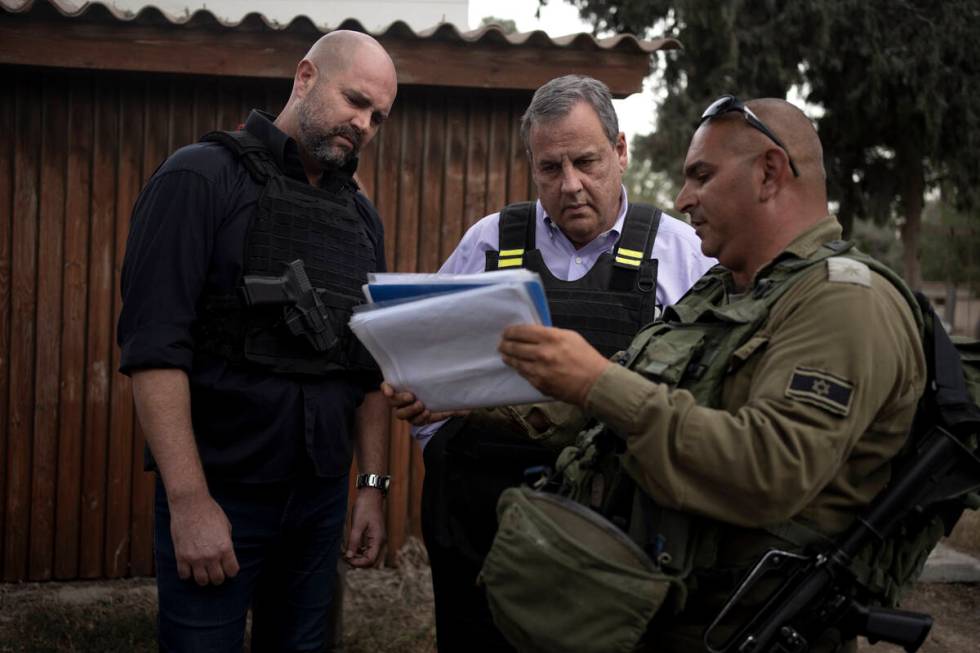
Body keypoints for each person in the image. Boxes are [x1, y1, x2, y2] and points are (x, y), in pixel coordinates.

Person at [494, 96, 926, 652]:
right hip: (664, 608)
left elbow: (769, 466)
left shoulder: (843, 303)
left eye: (701, 175)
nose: (682, 199)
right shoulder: (728, 288)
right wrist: (479, 407)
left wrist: (596, 380)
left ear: (770, 173)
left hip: (743, 626)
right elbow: (632, 395)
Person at [385, 75, 714, 652]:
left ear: (620, 151)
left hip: (611, 528)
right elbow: (420, 353)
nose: (570, 185)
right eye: (549, 169)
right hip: (478, 520)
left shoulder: (681, 251)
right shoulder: (490, 241)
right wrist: (430, 428)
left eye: (586, 162)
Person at [117, 31, 398, 652]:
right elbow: (154, 352)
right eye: (355, 100)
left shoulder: (360, 218)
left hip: (319, 502)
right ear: (305, 78)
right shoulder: (198, 178)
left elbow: (368, 366)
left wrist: (371, 489)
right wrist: (189, 501)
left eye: (378, 116)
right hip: (221, 494)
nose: (364, 124)